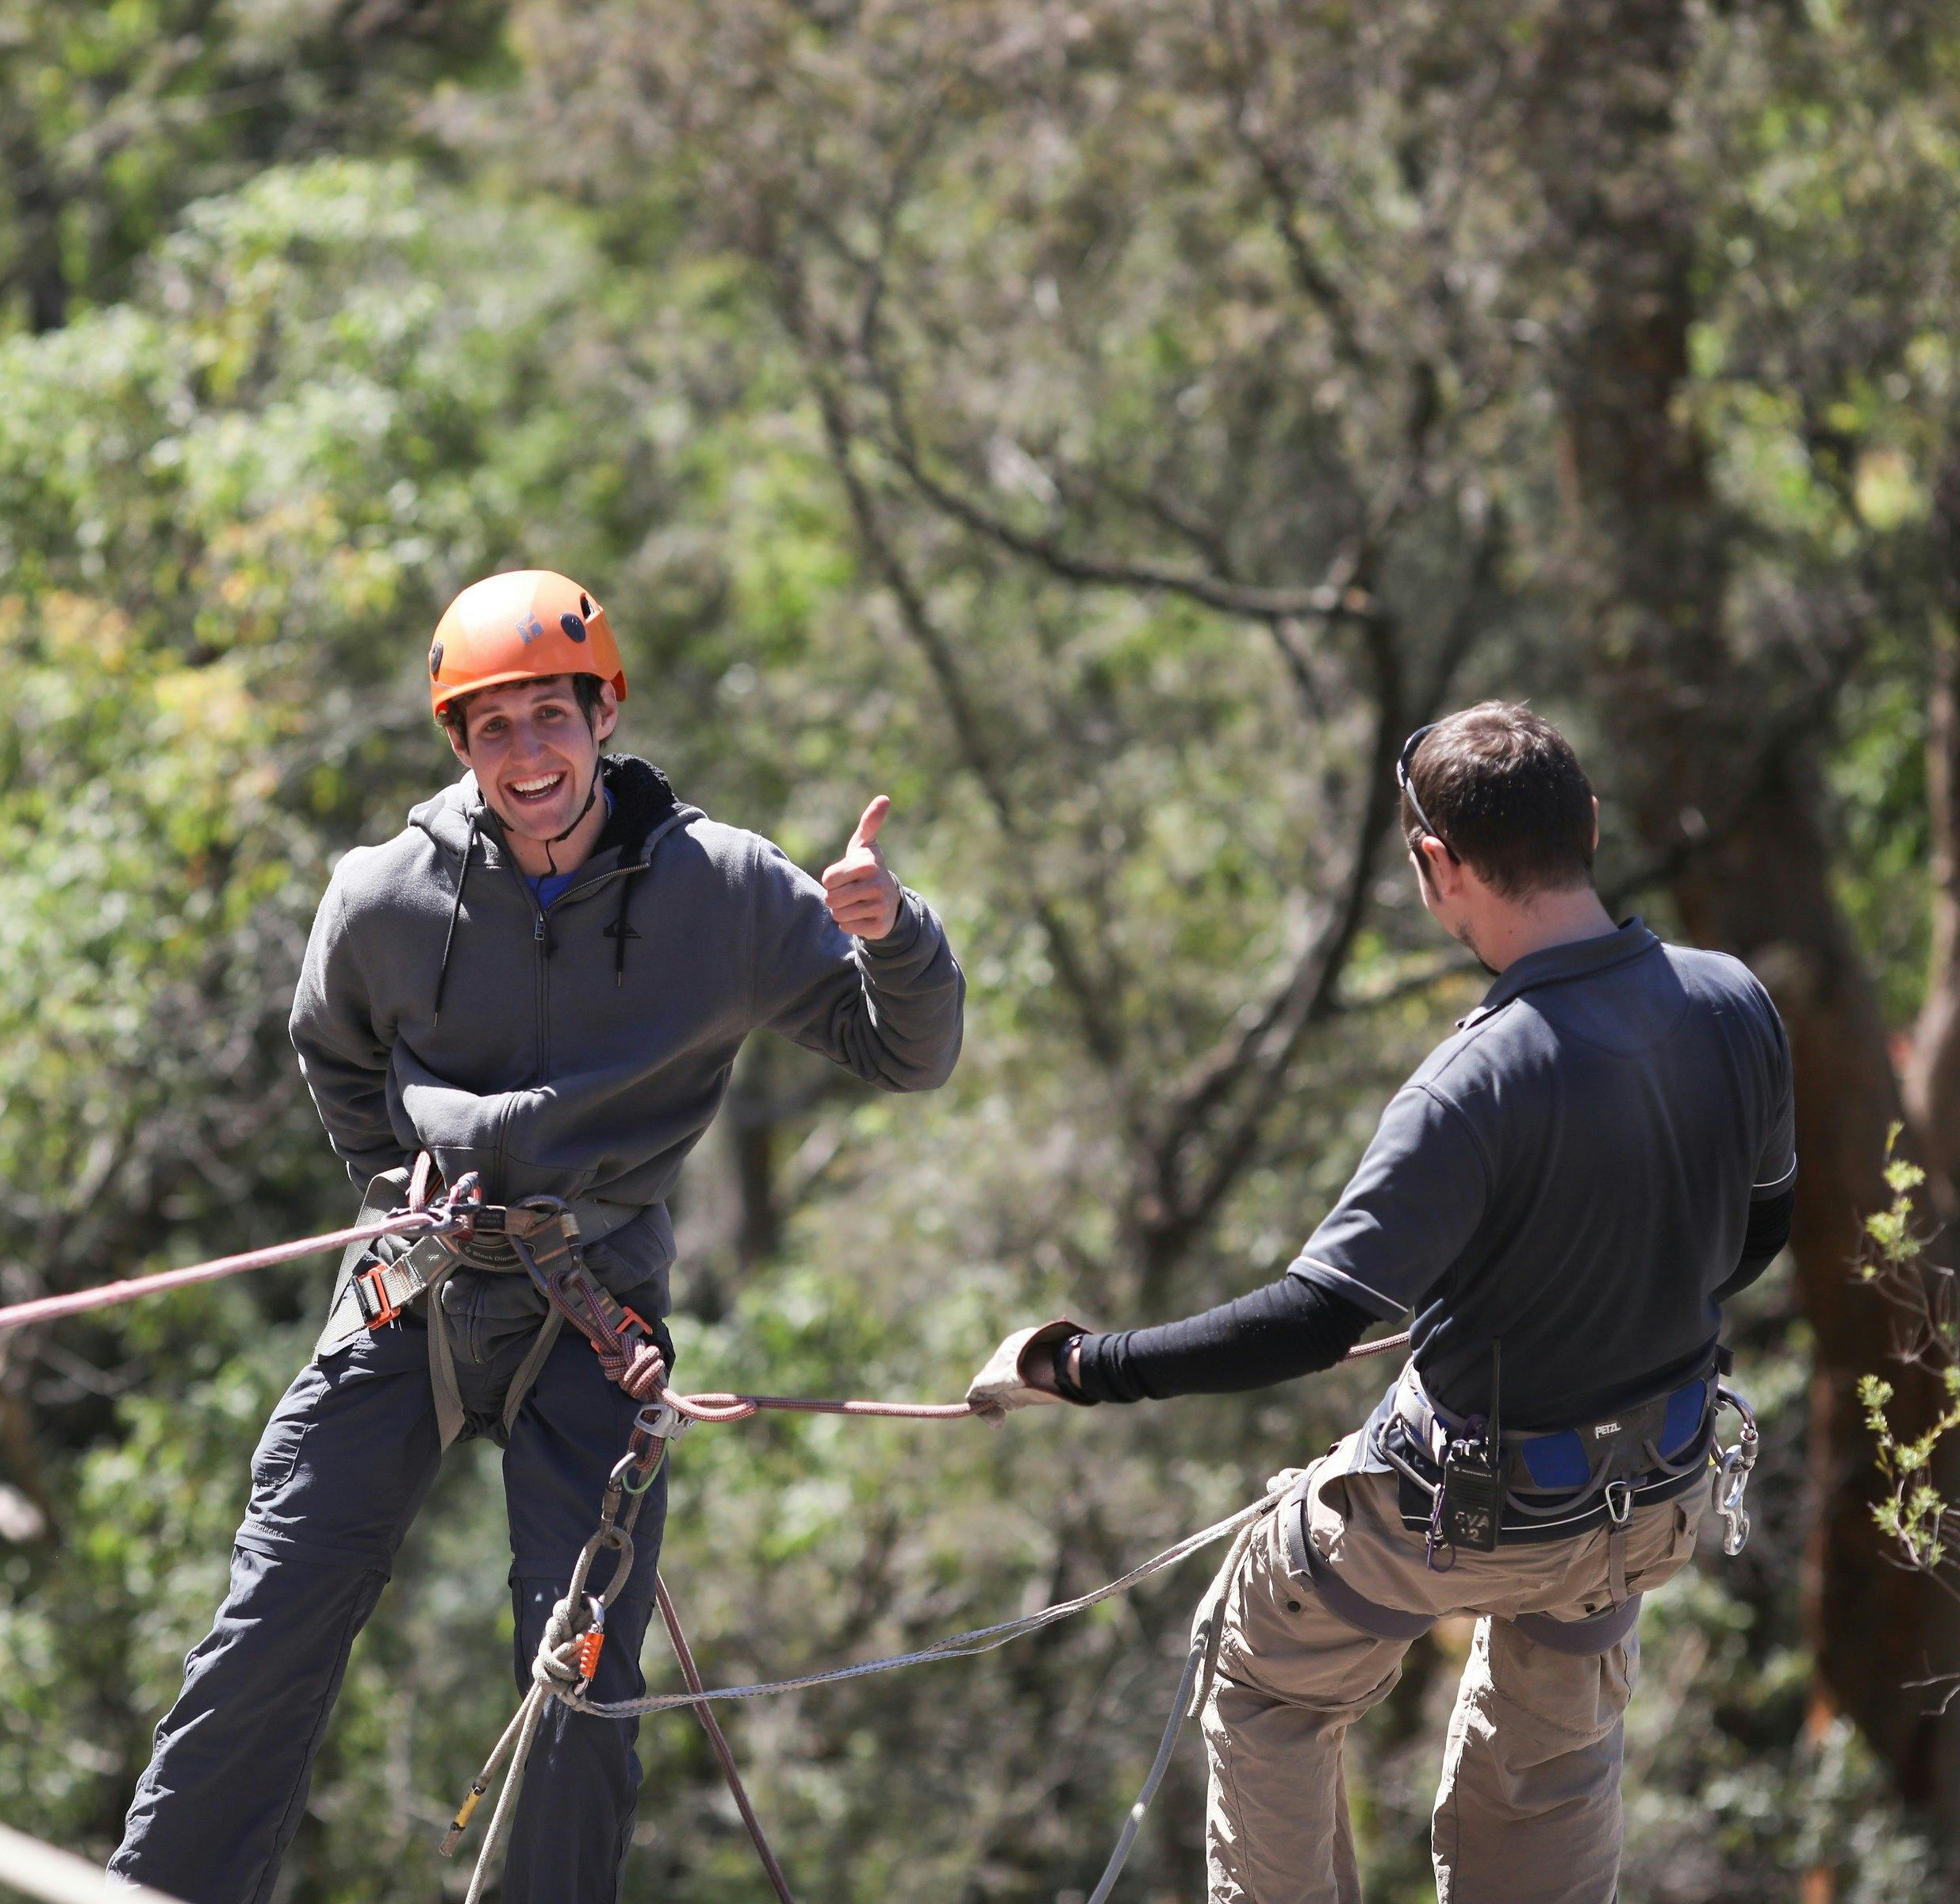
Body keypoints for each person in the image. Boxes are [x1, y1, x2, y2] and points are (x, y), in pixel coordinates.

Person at [112, 568, 966, 1902]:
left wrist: (893, 935)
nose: (527, 755)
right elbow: (330, 1041)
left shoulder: (723, 892)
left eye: (551, 717)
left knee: (580, 1685)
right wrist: (391, 1176)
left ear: (604, 713)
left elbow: (904, 1053)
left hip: (593, 1310)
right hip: (414, 1291)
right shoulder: (386, 894)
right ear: (459, 743)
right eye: (494, 727)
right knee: (272, 1619)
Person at [967, 701, 1793, 1904]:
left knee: (1266, 1674)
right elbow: (1752, 1244)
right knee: (1553, 1762)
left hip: (1461, 1511)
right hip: (1645, 1499)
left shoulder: (1473, 1081)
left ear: (1435, 864)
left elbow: (1313, 1320)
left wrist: (1080, 1363)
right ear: (1588, 825)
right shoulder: (1732, 1002)